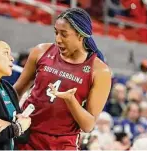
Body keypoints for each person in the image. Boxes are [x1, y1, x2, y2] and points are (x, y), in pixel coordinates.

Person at [13, 8, 112, 150]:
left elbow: (88, 125)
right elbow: (16, 92)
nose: (58, 39)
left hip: (63, 144)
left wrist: (71, 100)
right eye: (56, 32)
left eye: (64, 34)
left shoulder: (100, 71)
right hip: (27, 137)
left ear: (80, 36)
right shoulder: (41, 51)